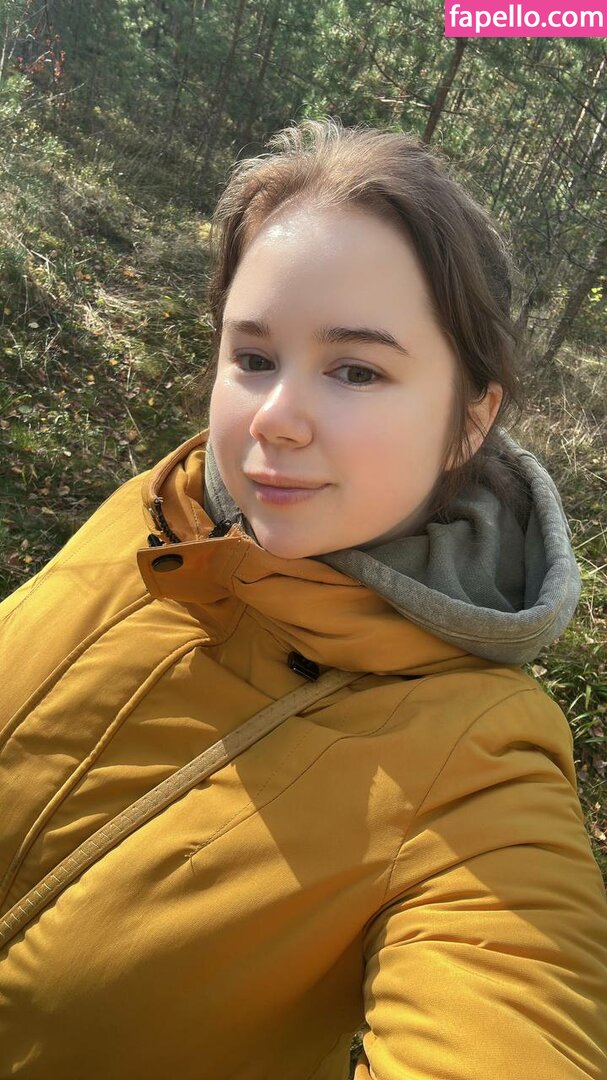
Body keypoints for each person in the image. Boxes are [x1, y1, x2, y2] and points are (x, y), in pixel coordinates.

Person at [0, 117, 606, 1080]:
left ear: (469, 420)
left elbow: (514, 1000)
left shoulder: (484, 767)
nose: (274, 421)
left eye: (356, 370)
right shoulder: (159, 514)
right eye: (253, 358)